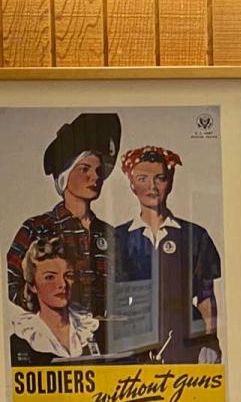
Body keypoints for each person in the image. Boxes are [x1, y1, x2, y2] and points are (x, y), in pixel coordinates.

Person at [6, 112, 121, 347]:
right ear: (65, 175)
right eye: (85, 169)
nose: (94, 177)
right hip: (55, 341)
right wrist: (49, 312)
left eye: (99, 171)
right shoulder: (36, 228)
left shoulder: (111, 235)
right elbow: (12, 283)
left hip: (109, 342)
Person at [114, 145, 222, 363]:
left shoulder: (195, 236)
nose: (152, 187)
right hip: (133, 348)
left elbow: (205, 297)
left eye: (160, 178)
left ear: (170, 182)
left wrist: (210, 342)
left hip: (185, 345)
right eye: (143, 178)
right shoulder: (118, 238)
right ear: (131, 184)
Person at [8, 236, 102, 365]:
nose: (62, 284)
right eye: (50, 277)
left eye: (68, 276)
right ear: (33, 286)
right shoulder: (22, 339)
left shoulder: (92, 329)